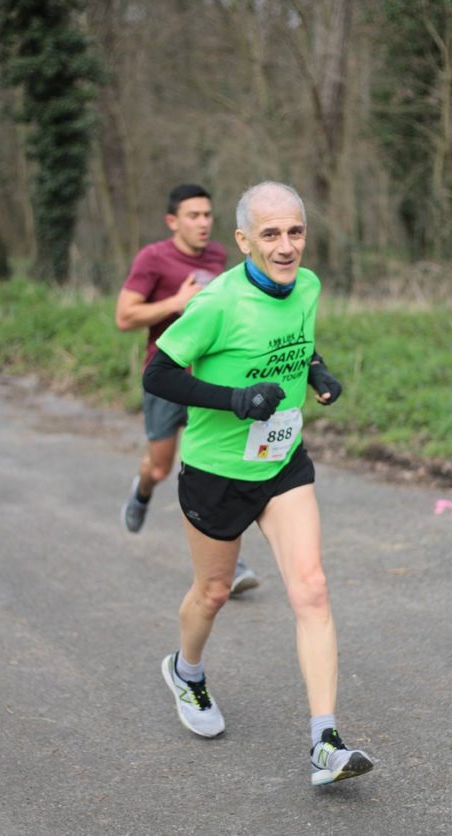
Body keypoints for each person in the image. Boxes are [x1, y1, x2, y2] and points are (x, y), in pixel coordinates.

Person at [144, 181, 374, 786]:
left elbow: (295, 338)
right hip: (217, 471)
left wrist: (316, 369)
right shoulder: (217, 302)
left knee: (313, 588)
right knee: (214, 593)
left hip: (281, 461)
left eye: (294, 231)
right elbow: (159, 374)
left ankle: (325, 740)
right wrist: (235, 399)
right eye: (270, 234)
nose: (285, 245)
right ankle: (185, 671)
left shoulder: (309, 285)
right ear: (243, 240)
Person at [116, 184, 259, 594]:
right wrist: (175, 304)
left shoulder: (217, 256)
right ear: (172, 221)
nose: (203, 223)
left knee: (216, 467)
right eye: (193, 216)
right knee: (160, 467)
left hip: (210, 381)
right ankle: (141, 490)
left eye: (208, 215)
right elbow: (125, 317)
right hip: (165, 378)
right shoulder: (153, 258)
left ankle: (230, 563)